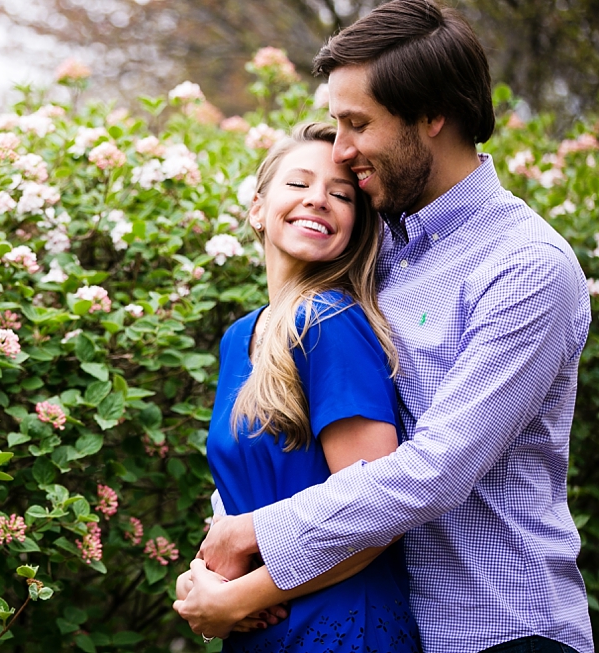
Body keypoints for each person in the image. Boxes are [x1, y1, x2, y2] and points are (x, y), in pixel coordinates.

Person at [177, 1, 594, 653]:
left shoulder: (523, 266)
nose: (341, 151)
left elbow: (435, 471)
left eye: (357, 124)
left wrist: (253, 536)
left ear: (433, 116)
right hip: (389, 625)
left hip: (500, 626)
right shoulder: (380, 251)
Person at [179, 121, 421, 652]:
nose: (318, 200)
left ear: (354, 227)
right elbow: (241, 499)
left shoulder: (328, 322)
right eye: (298, 184)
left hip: (341, 626)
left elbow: (377, 509)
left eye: (340, 194)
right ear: (258, 209)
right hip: (261, 628)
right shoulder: (241, 336)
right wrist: (203, 579)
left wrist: (239, 597)